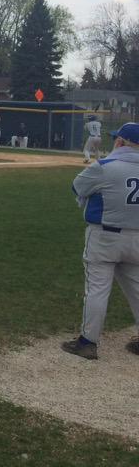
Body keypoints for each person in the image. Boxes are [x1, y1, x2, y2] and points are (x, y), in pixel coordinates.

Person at [62, 122, 139, 360]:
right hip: (137, 237)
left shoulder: (105, 166)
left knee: (97, 289)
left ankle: (87, 342)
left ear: (120, 142)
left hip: (105, 236)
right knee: (138, 290)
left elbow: (77, 187)